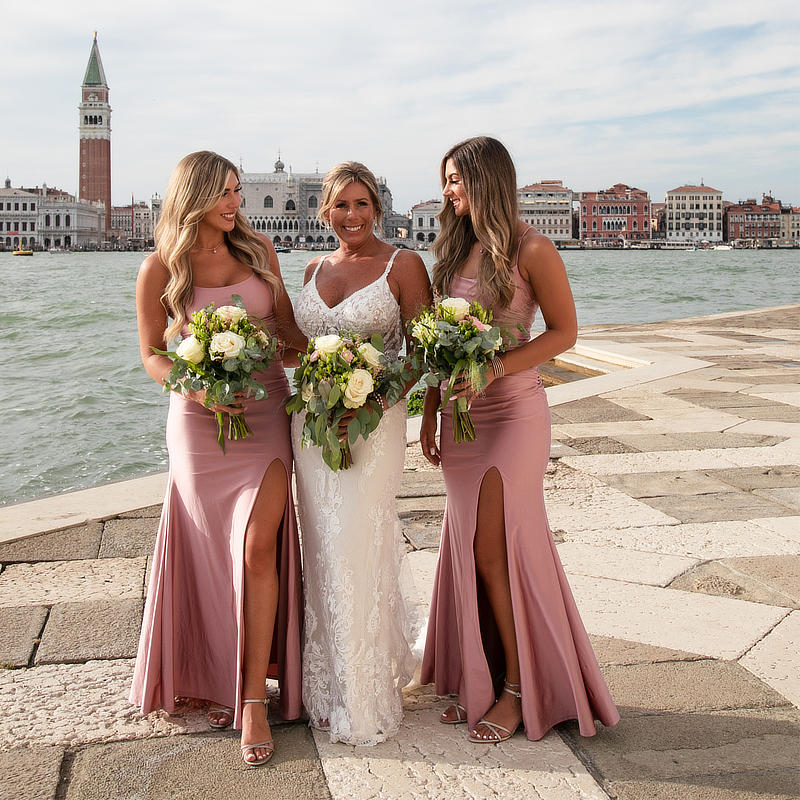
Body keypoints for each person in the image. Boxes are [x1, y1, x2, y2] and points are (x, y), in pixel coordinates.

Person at [419, 136, 620, 743]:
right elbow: (437, 346)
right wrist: (428, 413)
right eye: (445, 179)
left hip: (514, 415)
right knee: (468, 548)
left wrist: (497, 367)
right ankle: (478, 677)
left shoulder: (533, 248)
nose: (447, 190)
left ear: (486, 180)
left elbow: (564, 332)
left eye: (455, 179)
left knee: (494, 548)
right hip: (460, 417)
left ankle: (517, 687)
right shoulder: (453, 251)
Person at [130, 151, 306, 767]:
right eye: (224, 193)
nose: (236, 203)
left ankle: (253, 697)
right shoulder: (160, 268)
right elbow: (152, 355)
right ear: (195, 196)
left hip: (266, 414)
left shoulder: (260, 252)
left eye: (237, 192)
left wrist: (345, 361)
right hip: (198, 421)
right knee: (208, 550)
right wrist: (197, 388)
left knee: (258, 546)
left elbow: (288, 337)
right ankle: (208, 675)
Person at [291, 161, 432, 745]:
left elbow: (422, 353)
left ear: (377, 207)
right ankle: (326, 686)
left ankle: (364, 693)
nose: (351, 216)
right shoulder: (312, 268)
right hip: (311, 427)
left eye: (362, 204)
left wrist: (372, 400)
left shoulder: (404, 265)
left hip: (374, 425)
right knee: (322, 546)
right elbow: (297, 348)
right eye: (340, 205)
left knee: (358, 539)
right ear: (324, 211)